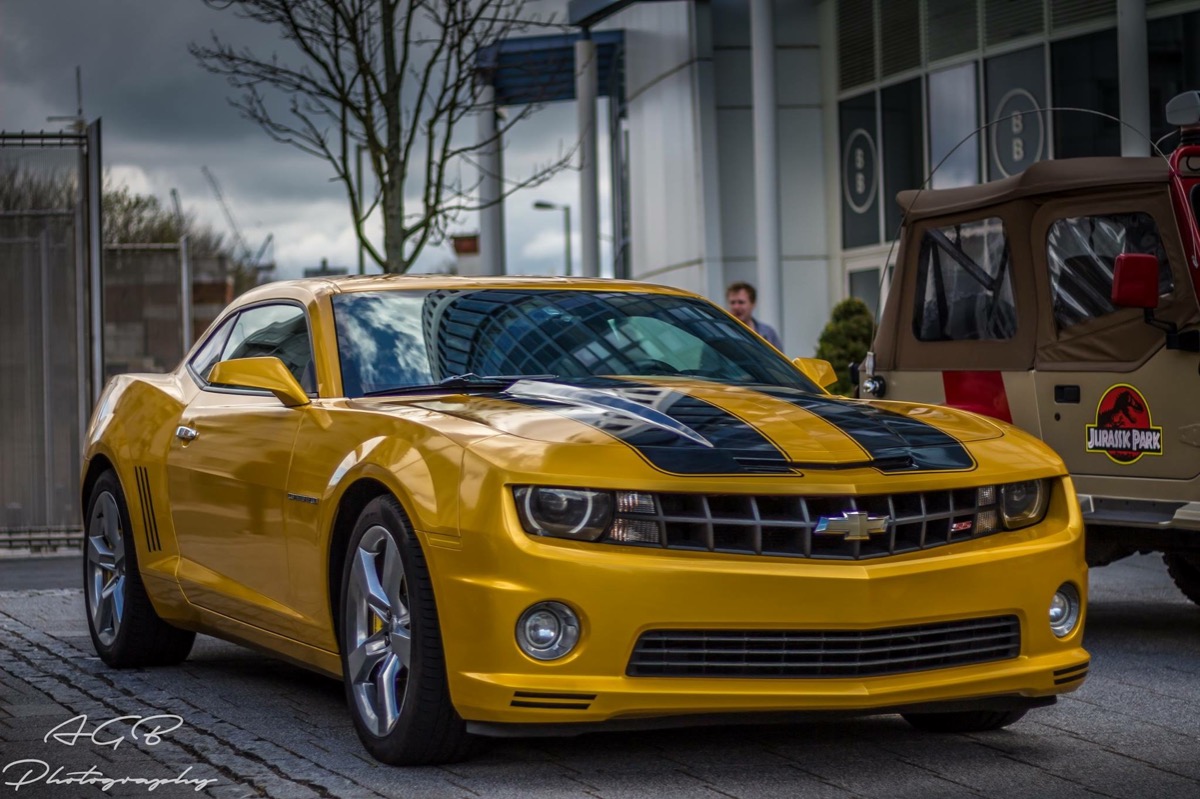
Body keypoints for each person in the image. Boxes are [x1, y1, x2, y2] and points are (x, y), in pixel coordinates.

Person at [725, 281, 782, 350]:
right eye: (732, 302)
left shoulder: (767, 333)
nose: (736, 307)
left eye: (741, 302)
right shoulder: (721, 331)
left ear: (753, 304)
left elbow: (779, 359)